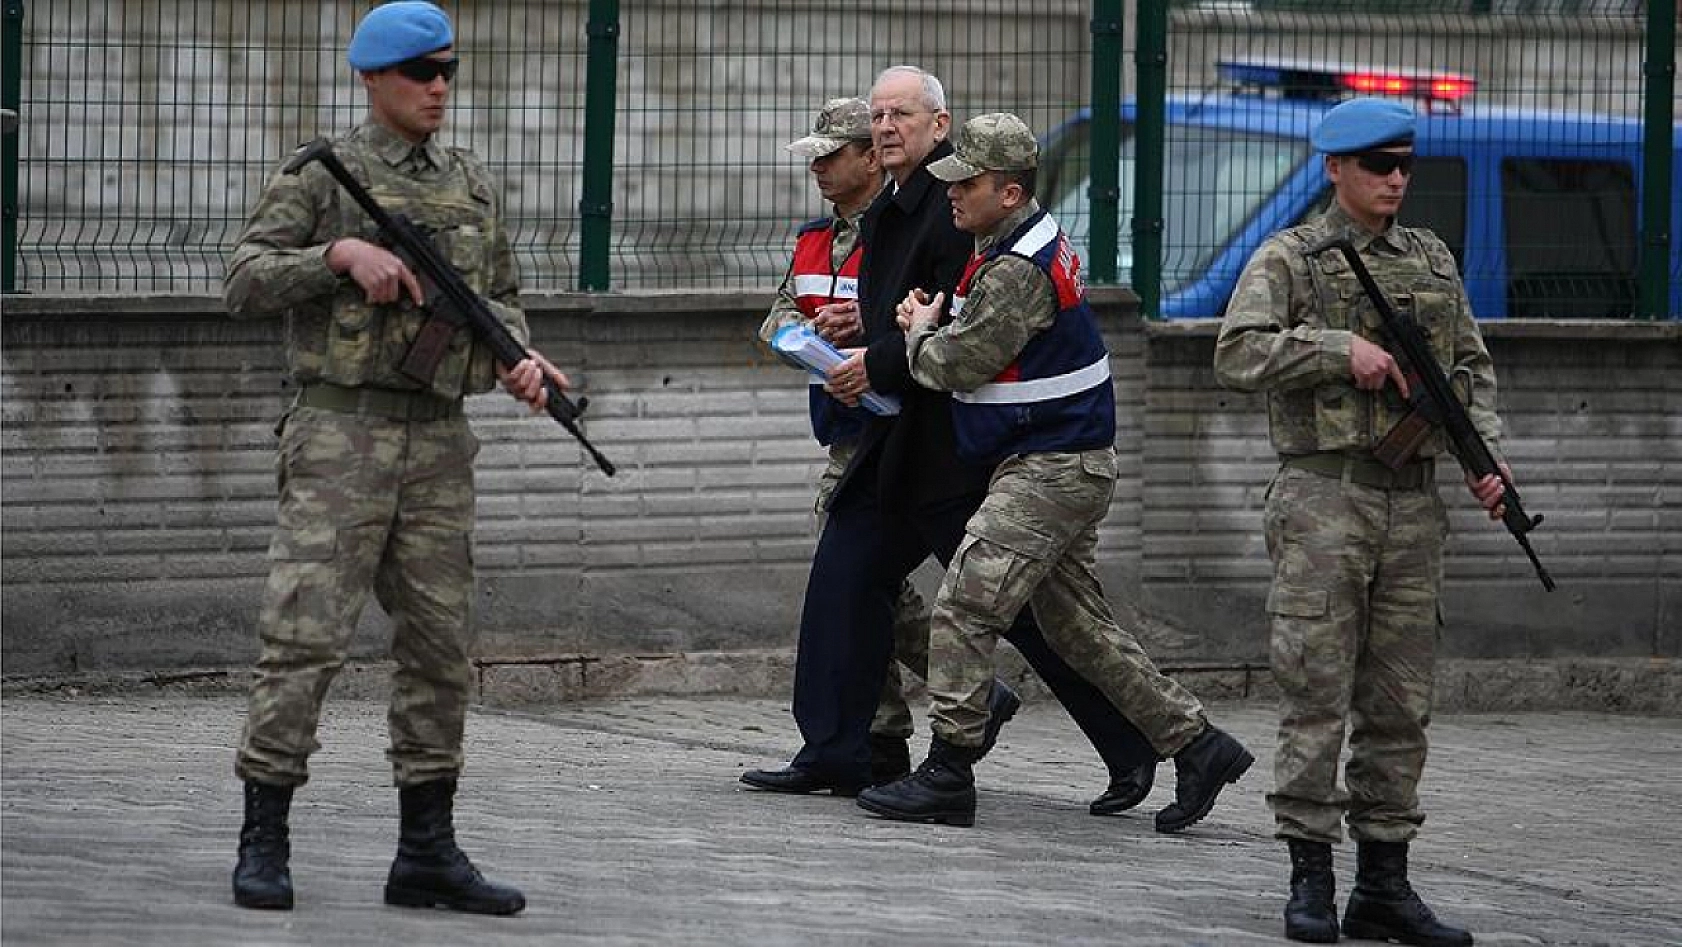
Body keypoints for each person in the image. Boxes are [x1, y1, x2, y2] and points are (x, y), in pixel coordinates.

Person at [743, 65, 1160, 811]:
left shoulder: (951, 210)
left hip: (952, 444)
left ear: (940, 127)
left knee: (1037, 616)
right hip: (891, 433)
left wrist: (875, 354)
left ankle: (1133, 743)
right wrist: (854, 334)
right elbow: (898, 313)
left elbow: (953, 330)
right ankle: (845, 749)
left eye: (902, 114)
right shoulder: (884, 213)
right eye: (878, 115)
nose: (885, 126)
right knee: (846, 573)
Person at [223, 0, 560, 916]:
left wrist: (521, 360)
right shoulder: (326, 175)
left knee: (441, 648)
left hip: (440, 438)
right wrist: (337, 255)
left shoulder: (471, 182)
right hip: (340, 432)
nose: (438, 88)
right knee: (304, 640)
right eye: (420, 73)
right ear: (372, 79)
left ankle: (427, 850)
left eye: (448, 71)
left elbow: (499, 296)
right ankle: (264, 834)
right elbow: (244, 277)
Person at [853, 113, 1253, 829]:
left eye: (966, 182)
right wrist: (936, 322)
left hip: (1051, 469)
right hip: (1055, 461)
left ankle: (948, 770)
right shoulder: (1016, 242)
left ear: (1008, 192)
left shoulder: (1014, 267)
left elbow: (957, 364)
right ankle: (1199, 744)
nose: (951, 192)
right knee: (1076, 628)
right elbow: (982, 344)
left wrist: (917, 334)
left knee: (965, 606)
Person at [1215, 97, 1504, 946]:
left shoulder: (1431, 258)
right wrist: (1341, 351)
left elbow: (1469, 369)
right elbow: (1236, 350)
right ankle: (1310, 872)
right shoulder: (1295, 257)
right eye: (1379, 166)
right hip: (1324, 499)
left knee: (1400, 701)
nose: (1396, 180)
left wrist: (1485, 460)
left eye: (1405, 165)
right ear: (1336, 169)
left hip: (1413, 503)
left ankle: (1385, 881)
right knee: (1317, 692)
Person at [748, 96, 942, 787]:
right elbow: (774, 317)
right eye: (815, 158)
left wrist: (857, 331)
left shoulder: (899, 232)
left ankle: (945, 691)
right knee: (866, 585)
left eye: (833, 156)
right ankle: (882, 731)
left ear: (870, 158)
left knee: (857, 580)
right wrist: (804, 339)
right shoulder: (813, 238)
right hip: (839, 423)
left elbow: (917, 324)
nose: (821, 169)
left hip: (889, 425)